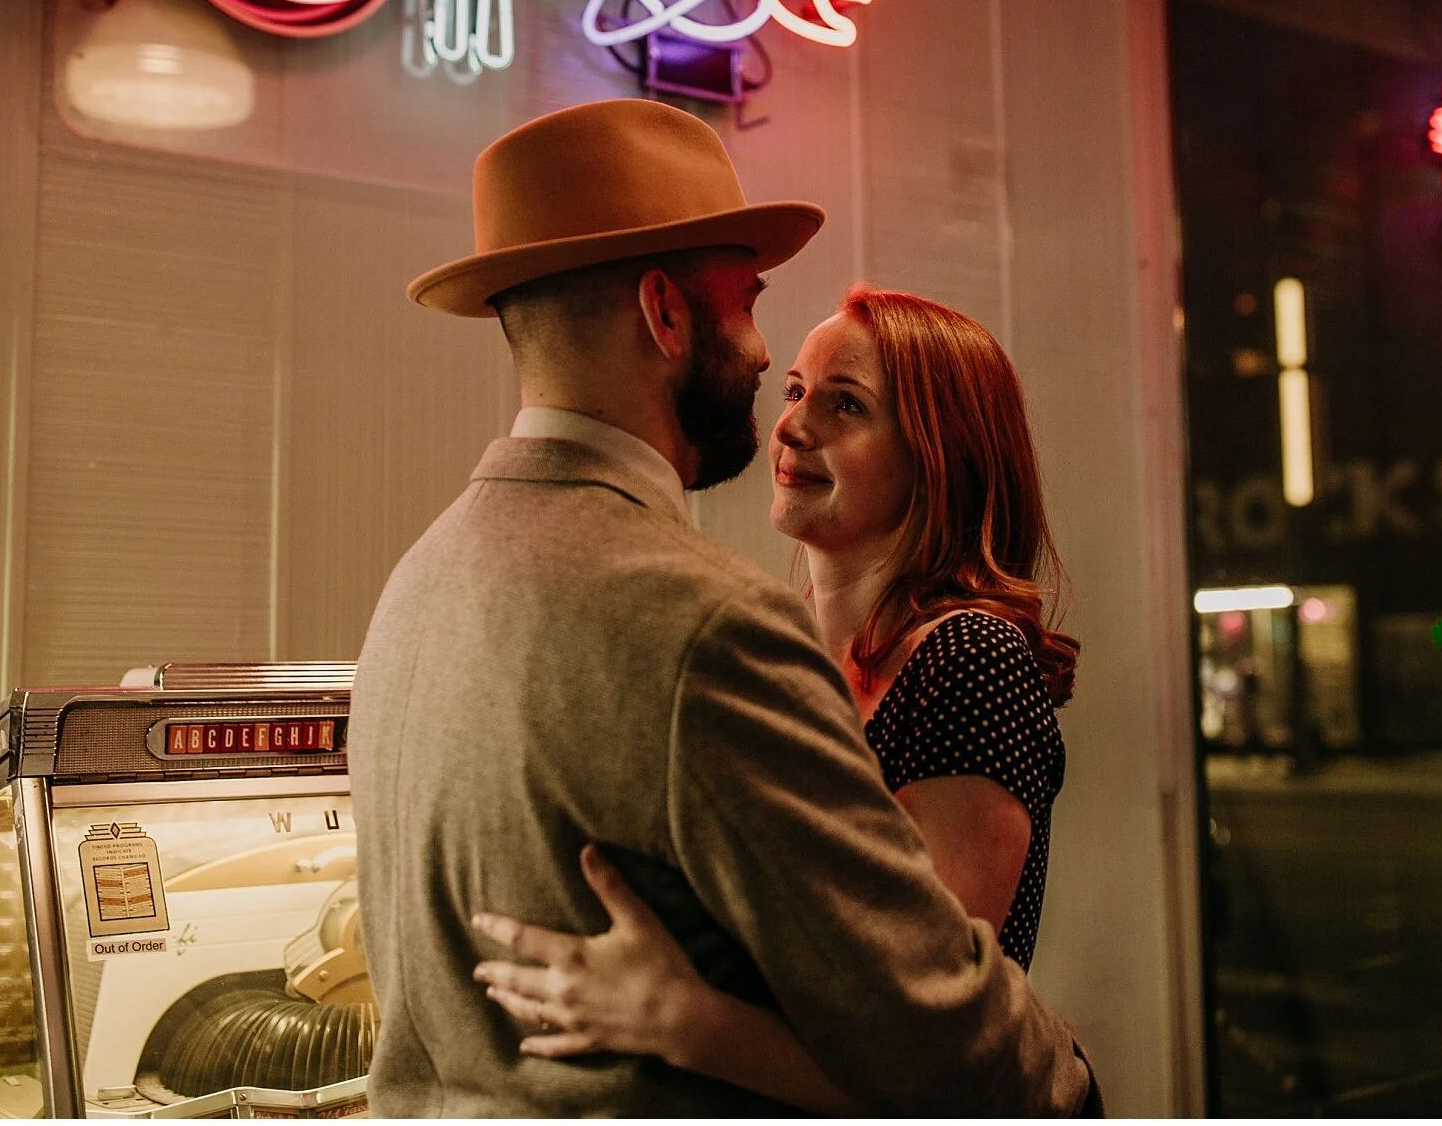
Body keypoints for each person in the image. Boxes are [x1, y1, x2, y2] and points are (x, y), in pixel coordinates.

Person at [349, 99, 1097, 1117]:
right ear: (664, 315)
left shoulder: (414, 586)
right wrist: (1070, 1087)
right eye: (748, 309)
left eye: (842, 402)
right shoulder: (708, 625)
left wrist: (690, 1019)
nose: (766, 378)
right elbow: (940, 1040)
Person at [468, 286, 1080, 1103]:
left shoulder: (969, 659)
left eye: (846, 404)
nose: (791, 426)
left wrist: (675, 1016)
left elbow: (921, 1044)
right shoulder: (773, 642)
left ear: (940, 451)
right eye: (794, 391)